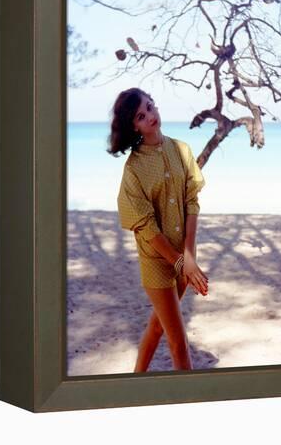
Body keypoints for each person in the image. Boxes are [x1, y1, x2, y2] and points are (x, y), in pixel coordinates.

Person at [107, 87, 209, 372]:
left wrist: (188, 257)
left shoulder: (182, 150)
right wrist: (178, 262)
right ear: (133, 125)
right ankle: (188, 400)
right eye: (141, 115)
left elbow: (192, 201)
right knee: (179, 344)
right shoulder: (134, 169)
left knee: (157, 327)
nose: (150, 116)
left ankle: (136, 379)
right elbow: (145, 225)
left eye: (150, 107)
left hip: (183, 255)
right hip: (156, 260)